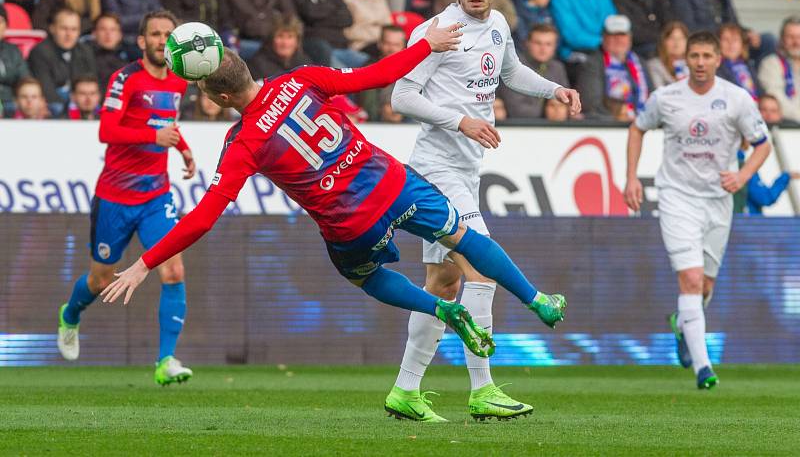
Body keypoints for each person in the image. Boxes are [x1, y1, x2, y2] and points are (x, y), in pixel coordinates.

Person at [99, 21, 569, 393]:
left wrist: (144, 263)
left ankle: (442, 311)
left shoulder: (242, 143)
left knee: (367, 277)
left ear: (220, 97)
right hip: (391, 182)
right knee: (463, 239)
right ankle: (537, 299)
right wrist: (426, 45)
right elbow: (376, 76)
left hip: (350, 221)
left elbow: (204, 217)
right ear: (239, 63)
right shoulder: (301, 78)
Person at [388, 0, 579, 422]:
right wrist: (460, 122)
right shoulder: (435, 33)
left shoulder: (497, 26)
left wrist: (553, 88)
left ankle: (405, 390)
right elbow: (401, 95)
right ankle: (483, 388)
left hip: (466, 171)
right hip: (436, 168)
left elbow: (511, 72)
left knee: (441, 281)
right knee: (481, 267)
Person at [56, 10, 197, 387]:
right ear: (141, 41)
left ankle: (165, 361)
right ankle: (70, 315)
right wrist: (155, 140)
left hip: (156, 194)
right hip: (115, 196)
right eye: (155, 34)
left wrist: (183, 149)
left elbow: (167, 126)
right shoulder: (125, 78)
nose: (162, 41)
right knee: (100, 280)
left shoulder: (180, 81)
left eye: (169, 35)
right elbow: (107, 130)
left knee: (174, 269)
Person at [624, 31, 771, 390]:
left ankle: (681, 323)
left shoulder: (736, 99)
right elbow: (637, 128)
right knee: (689, 279)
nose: (701, 63)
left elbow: (762, 144)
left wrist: (743, 175)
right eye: (695, 56)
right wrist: (631, 178)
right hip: (676, 197)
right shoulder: (667, 97)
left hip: (718, 200)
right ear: (685, 60)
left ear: (718, 59)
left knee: (704, 285)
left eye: (707, 56)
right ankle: (704, 367)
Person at [576, 14, 650, 121]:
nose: (618, 39)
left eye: (622, 35)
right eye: (613, 35)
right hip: (609, 127)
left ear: (630, 38)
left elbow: (652, 97)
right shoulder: (592, 63)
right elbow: (591, 105)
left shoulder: (640, 63)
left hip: (641, 123)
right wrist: (619, 118)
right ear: (604, 38)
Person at [27, 7, 97, 115]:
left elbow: (93, 84)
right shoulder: (39, 52)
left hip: (82, 108)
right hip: (53, 112)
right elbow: (47, 91)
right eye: (64, 28)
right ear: (52, 28)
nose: (69, 34)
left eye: (74, 29)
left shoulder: (86, 51)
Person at [498, 23, 570, 119]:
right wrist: (549, 110)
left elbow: (564, 105)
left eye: (548, 44)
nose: (543, 49)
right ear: (527, 43)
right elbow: (517, 110)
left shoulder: (557, 68)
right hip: (516, 127)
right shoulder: (514, 65)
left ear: (555, 47)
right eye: (538, 43)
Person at [357, 24, 407, 121]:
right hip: (377, 123)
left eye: (396, 45)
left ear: (404, 46)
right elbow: (368, 104)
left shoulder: (412, 69)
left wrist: (404, 114)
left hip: (409, 121)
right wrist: (381, 114)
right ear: (379, 44)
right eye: (388, 43)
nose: (391, 49)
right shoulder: (368, 69)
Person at [758, 16, 800, 123]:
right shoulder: (771, 63)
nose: (796, 42)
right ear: (782, 39)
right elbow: (777, 101)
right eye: (791, 37)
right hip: (786, 126)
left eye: (799, 37)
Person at [246, 16, 312, 79]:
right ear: (271, 40)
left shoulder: (305, 63)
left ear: (297, 41)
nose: (285, 43)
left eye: (290, 37)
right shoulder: (257, 64)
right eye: (280, 36)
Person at [717, 23, 761, 100]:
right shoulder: (717, 67)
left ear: (742, 44)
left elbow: (760, 90)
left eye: (735, 40)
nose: (731, 44)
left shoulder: (748, 65)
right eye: (725, 39)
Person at [0, 6, 30, 116]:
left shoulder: (13, 51)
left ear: (6, 26)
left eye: (0, 21)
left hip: (12, 102)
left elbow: (25, 79)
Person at [91, 13, 131, 91]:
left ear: (120, 35)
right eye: (103, 29)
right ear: (94, 34)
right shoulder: (85, 57)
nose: (108, 34)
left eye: (113, 30)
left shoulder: (130, 58)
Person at [646, 21, 689, 89]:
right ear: (664, 41)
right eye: (672, 38)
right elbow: (659, 94)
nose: (676, 43)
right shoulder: (655, 65)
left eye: (681, 38)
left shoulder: (693, 64)